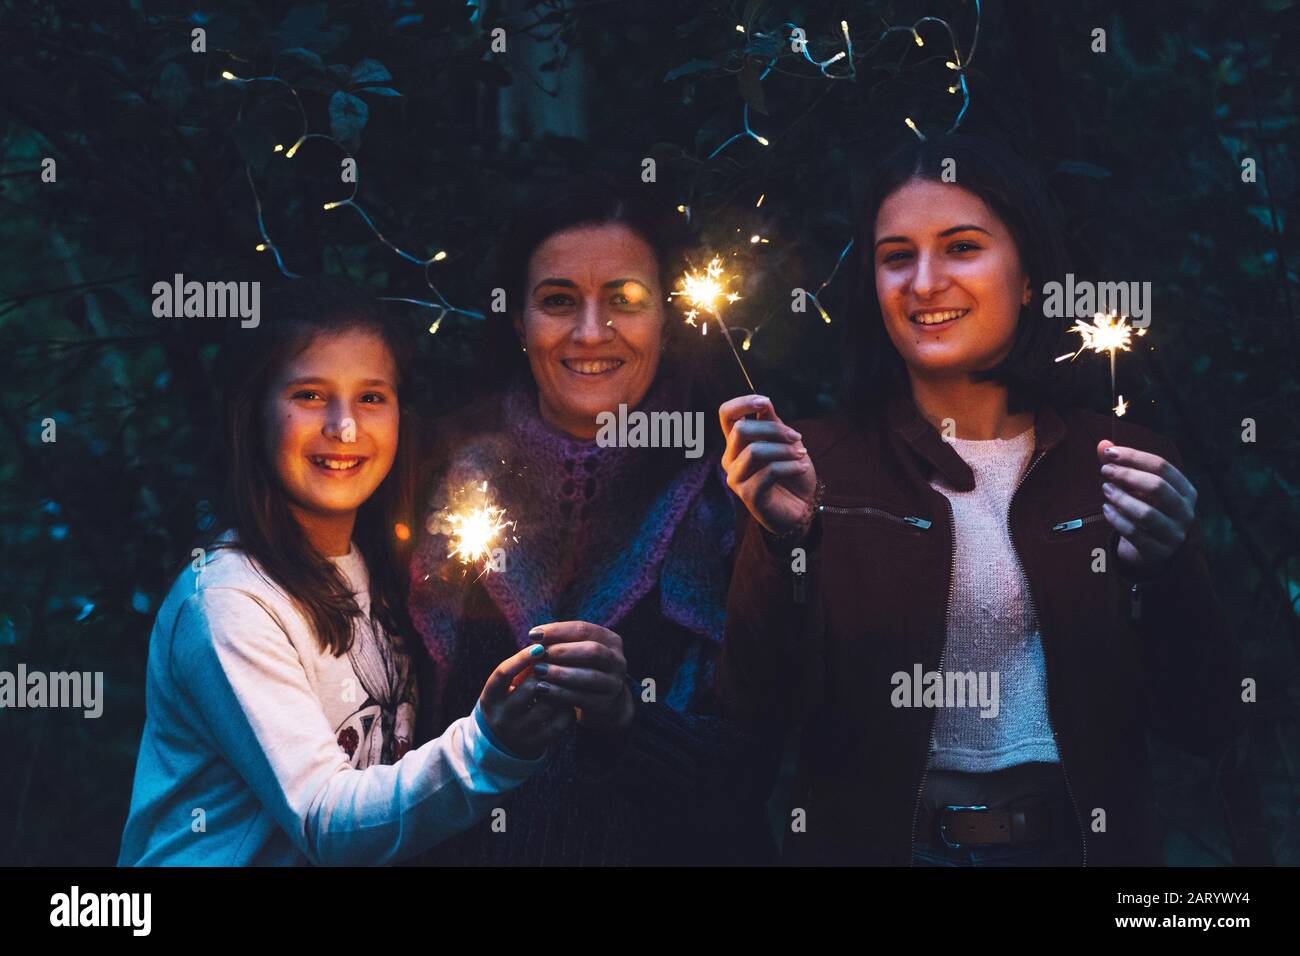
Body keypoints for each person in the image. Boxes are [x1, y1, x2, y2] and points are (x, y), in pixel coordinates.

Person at [716, 134, 1244, 866]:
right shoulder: (814, 464)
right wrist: (784, 547)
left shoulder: (1123, 465)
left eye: (962, 248)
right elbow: (749, 717)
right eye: (897, 256)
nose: (924, 282)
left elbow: (1207, 719)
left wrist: (1165, 568)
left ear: (1028, 277)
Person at [119, 279, 568, 866]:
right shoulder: (227, 602)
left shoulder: (382, 570)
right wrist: (488, 747)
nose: (345, 427)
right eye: (310, 395)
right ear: (254, 413)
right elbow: (326, 821)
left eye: (371, 397)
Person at [408, 179, 774, 865]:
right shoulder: (435, 484)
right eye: (557, 301)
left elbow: (759, 772)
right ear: (517, 322)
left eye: (625, 301)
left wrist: (627, 721)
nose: (588, 332)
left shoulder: (738, 496)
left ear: (668, 318)